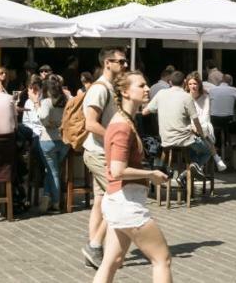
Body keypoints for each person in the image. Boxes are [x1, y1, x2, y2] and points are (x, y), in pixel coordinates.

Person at [91, 71, 172, 283]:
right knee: (162, 258)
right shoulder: (122, 127)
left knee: (112, 260)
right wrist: (151, 174)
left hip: (120, 200)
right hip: (126, 202)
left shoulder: (125, 121)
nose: (147, 89)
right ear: (125, 92)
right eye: (141, 85)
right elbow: (117, 170)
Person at [81, 47, 127, 271]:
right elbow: (90, 123)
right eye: (121, 61)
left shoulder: (110, 87)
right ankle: (95, 245)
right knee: (118, 197)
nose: (125, 65)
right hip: (99, 152)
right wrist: (113, 137)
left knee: (101, 200)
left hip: (101, 151)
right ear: (107, 63)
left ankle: (95, 249)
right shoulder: (99, 89)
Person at [145, 72, 211, 183]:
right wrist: (202, 136)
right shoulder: (187, 97)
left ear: (169, 82)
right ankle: (187, 173)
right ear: (184, 82)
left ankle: (190, 170)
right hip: (185, 141)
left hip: (166, 140)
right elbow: (196, 121)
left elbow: (145, 111)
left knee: (194, 148)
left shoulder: (161, 94)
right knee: (207, 150)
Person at [25, 75, 68, 213]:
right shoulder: (66, 100)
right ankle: (47, 197)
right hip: (64, 141)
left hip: (48, 140)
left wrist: (37, 104)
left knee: (53, 171)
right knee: (53, 171)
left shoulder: (47, 102)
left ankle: (55, 203)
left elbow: (42, 116)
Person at [184, 72, 226, 172]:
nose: (193, 86)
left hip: (203, 125)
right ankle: (216, 158)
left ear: (199, 84)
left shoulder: (205, 97)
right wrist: (192, 126)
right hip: (190, 127)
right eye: (190, 84)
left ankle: (194, 170)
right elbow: (184, 116)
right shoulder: (185, 97)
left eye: (195, 83)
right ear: (187, 85)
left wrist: (198, 128)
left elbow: (205, 116)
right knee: (202, 140)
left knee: (204, 131)